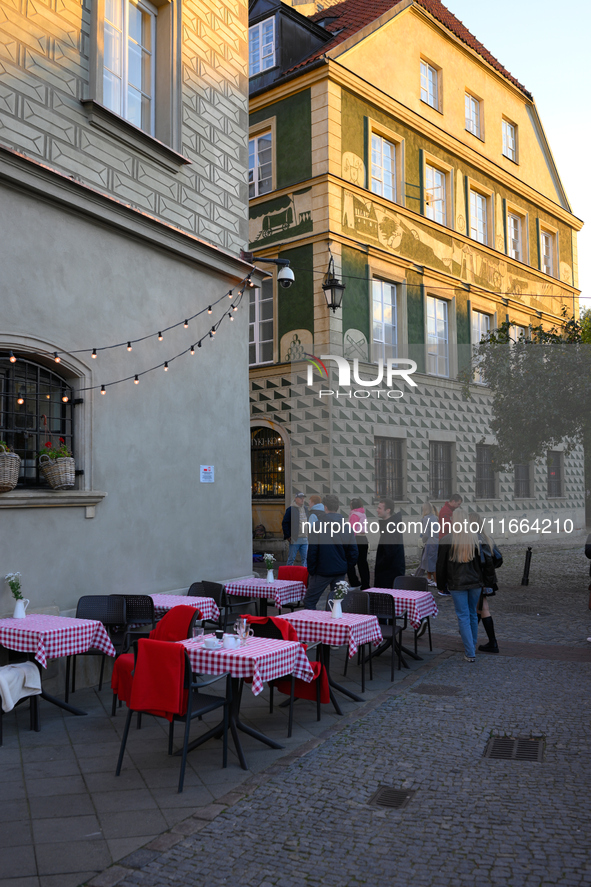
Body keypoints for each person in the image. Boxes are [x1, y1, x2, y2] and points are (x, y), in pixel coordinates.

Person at [436, 507, 484, 662]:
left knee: (463, 616)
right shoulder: (475, 538)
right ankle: (472, 647)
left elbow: (441, 566)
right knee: (472, 614)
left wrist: (441, 584)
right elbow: (480, 563)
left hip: (457, 584)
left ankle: (470, 651)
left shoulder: (446, 540)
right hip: (475, 582)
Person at [304, 494, 358, 609]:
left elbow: (312, 550)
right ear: (337, 507)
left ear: (325, 507)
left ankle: (313, 625)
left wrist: (312, 570)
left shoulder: (318, 525)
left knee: (309, 601)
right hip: (339, 570)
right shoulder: (347, 527)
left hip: (321, 570)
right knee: (337, 603)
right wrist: (345, 566)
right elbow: (353, 552)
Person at [469, 511, 500, 654]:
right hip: (487, 580)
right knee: (480, 607)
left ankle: (491, 642)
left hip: (478, 580)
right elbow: (499, 559)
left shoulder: (472, 539)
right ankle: (469, 635)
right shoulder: (487, 538)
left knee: (483, 608)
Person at [374, 498, 405, 588]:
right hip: (389, 572)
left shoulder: (390, 526)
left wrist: (380, 565)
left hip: (388, 575)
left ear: (388, 511)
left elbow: (389, 553)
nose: (377, 510)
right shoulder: (390, 524)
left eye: (379, 508)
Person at [437, 494, 463, 595]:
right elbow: (446, 526)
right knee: (444, 565)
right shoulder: (446, 511)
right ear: (453, 501)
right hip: (445, 540)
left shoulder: (449, 510)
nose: (458, 506)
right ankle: (443, 588)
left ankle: (446, 586)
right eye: (458, 504)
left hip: (448, 539)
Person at [347, 498, 370, 589]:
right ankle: (365, 584)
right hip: (364, 538)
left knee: (350, 562)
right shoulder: (362, 513)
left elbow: (352, 530)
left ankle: (354, 582)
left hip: (356, 539)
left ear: (352, 505)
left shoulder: (354, 515)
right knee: (363, 563)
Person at [282, 492, 308, 566]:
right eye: (300, 498)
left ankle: (305, 575)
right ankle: (288, 575)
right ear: (296, 499)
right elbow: (285, 523)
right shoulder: (291, 509)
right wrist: (287, 536)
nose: (302, 500)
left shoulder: (305, 508)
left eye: (303, 498)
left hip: (305, 538)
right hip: (295, 538)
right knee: (291, 558)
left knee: (305, 559)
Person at [419, 502, 439, 586]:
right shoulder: (435, 517)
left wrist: (422, 540)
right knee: (431, 561)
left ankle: (435, 581)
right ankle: (429, 579)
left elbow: (425, 534)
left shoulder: (425, 519)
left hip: (430, 542)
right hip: (436, 541)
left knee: (430, 561)